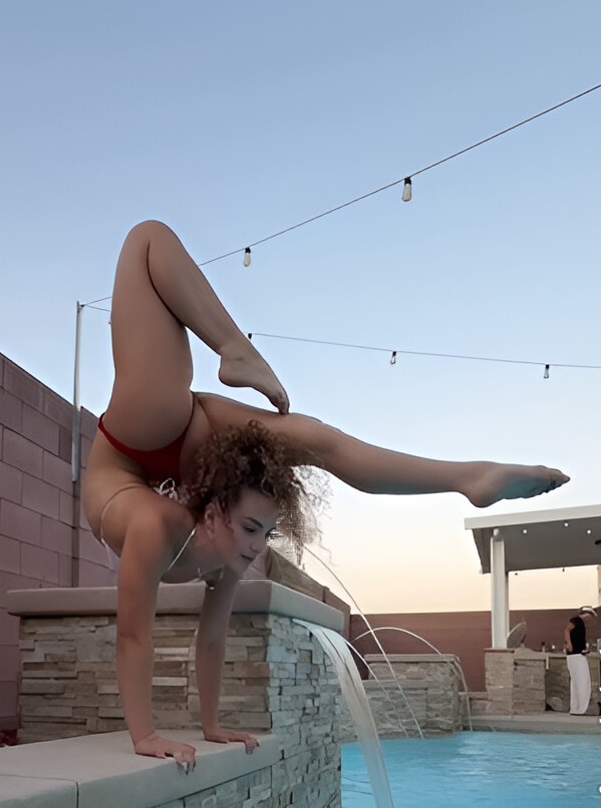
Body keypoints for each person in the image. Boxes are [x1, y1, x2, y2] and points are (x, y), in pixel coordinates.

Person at [83, 220, 570, 768]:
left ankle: (467, 478)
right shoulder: (157, 527)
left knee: (317, 441)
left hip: (179, 449)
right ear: (214, 511)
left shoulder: (231, 545)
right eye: (253, 531)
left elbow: (213, 637)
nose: (258, 548)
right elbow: (133, 635)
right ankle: (235, 347)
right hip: (127, 455)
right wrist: (145, 734)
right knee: (146, 239)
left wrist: (213, 726)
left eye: (266, 533)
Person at [564, 606, 596, 714]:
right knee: (583, 681)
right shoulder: (576, 620)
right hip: (576, 655)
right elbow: (567, 631)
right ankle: (581, 708)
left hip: (575, 654)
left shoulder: (579, 623)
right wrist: (569, 644)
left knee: (575, 682)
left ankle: (575, 708)